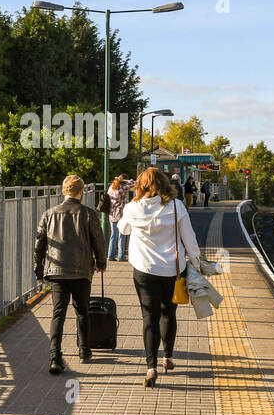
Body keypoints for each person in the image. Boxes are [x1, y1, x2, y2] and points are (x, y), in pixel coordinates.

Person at [117, 166, 202, 387]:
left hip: (144, 270)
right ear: (165, 184)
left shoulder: (133, 207)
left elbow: (123, 229)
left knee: (149, 317)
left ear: (141, 185)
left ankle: (150, 367)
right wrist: (196, 263)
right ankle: (168, 356)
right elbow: (189, 239)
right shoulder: (176, 206)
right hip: (173, 270)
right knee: (168, 313)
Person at [33, 174, 107, 373]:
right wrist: (101, 263)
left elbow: (39, 245)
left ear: (64, 191)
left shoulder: (49, 214)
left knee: (58, 314)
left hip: (57, 271)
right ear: (81, 192)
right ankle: (84, 351)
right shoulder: (89, 214)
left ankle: (55, 359)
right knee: (82, 312)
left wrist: (39, 269)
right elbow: (98, 241)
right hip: (81, 270)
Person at [108, 174, 135, 260]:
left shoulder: (111, 187)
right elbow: (134, 183)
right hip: (121, 215)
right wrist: (126, 181)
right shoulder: (123, 188)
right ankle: (121, 256)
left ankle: (110, 256)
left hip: (112, 214)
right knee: (122, 235)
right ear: (123, 181)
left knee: (113, 235)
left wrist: (119, 179)